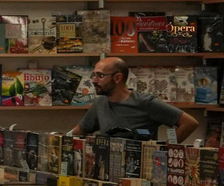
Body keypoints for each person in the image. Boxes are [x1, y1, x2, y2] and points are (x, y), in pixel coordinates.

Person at [72, 57, 200, 142]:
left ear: (117, 78)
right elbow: (78, 132)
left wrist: (165, 150)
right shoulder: (100, 103)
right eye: (93, 75)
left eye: (100, 76)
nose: (94, 81)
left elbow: (190, 123)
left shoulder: (146, 103)